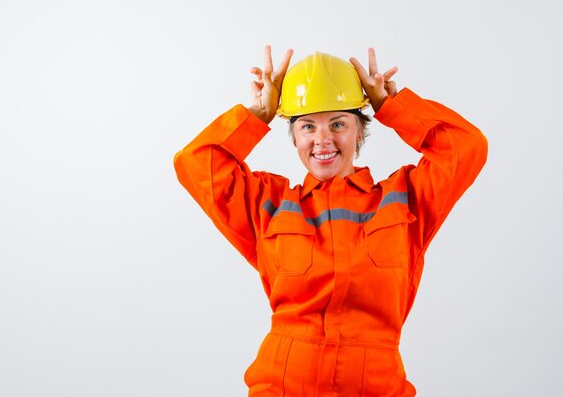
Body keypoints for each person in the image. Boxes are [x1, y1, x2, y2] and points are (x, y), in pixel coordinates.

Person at [174, 46, 487, 397]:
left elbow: (466, 146)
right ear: (294, 137)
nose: (322, 140)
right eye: (308, 126)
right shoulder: (268, 204)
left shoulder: (406, 199)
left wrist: (393, 108)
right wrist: (258, 114)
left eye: (338, 124)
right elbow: (195, 163)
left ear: (360, 131)